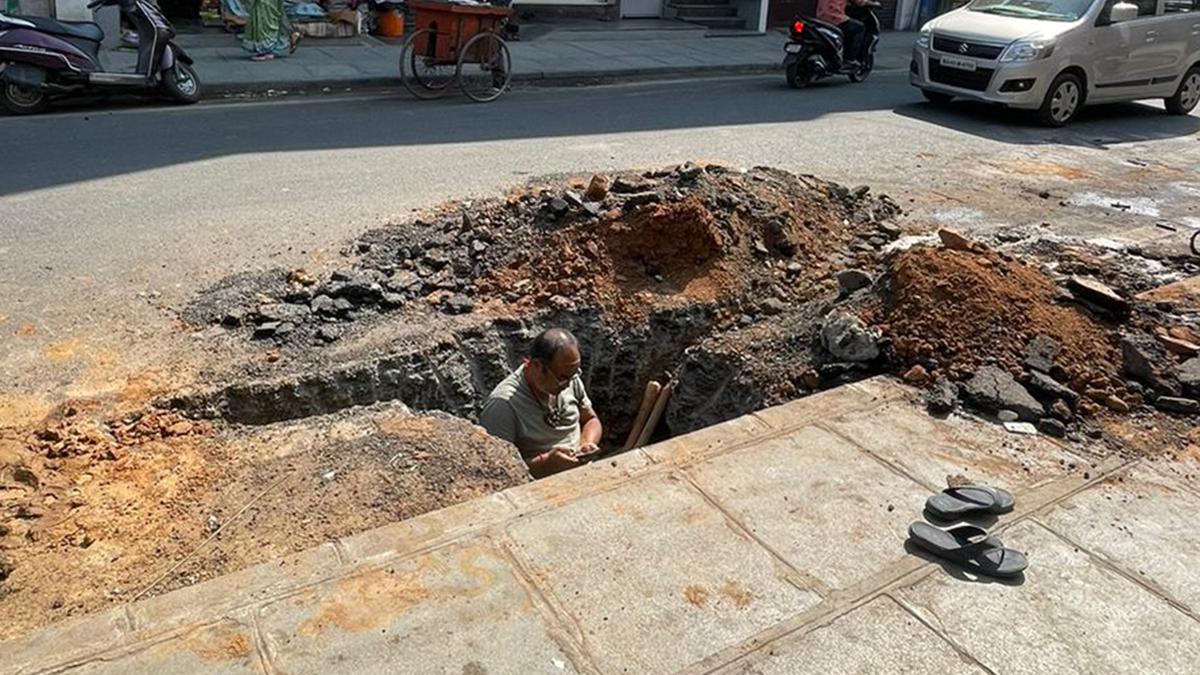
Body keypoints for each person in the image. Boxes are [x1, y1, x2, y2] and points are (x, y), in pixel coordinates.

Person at [479, 328, 604, 479]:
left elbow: (591, 419)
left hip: (585, 477)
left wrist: (586, 445)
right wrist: (546, 464)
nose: (568, 383)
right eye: (562, 377)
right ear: (537, 365)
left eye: (574, 374)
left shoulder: (570, 378)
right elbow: (495, 470)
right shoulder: (503, 406)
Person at [816, 0, 873, 68]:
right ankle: (849, 59)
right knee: (859, 28)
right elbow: (859, 1)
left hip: (821, 17)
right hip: (834, 16)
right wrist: (871, 3)